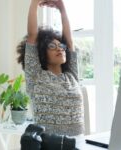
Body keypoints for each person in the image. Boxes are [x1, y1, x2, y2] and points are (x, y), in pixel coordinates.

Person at [17, 0, 84, 136]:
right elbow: (32, 36)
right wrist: (35, 3)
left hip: (78, 142)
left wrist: (62, 7)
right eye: (52, 46)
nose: (60, 48)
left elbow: (69, 41)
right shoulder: (36, 76)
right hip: (49, 145)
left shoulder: (71, 75)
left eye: (61, 46)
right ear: (42, 53)